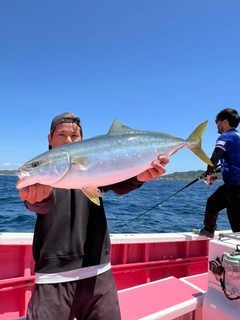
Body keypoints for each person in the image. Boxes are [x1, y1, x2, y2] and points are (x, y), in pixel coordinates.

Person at [18, 112, 169, 320]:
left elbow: (120, 183)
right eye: (61, 135)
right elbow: (41, 202)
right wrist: (37, 197)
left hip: (99, 271)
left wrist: (139, 177)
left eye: (75, 136)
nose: (68, 140)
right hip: (53, 277)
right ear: (49, 140)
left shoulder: (94, 167)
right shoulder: (45, 174)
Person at [193, 108, 240, 239]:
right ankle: (208, 230)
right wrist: (213, 171)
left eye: (217, 122)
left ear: (224, 121)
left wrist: (209, 173)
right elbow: (233, 163)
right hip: (231, 187)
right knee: (212, 203)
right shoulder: (237, 138)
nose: (217, 125)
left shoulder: (225, 137)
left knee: (236, 224)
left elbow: (213, 159)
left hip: (236, 188)